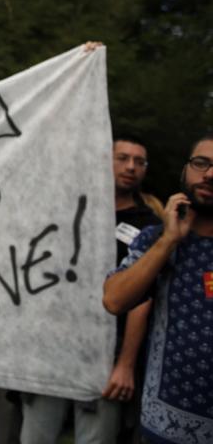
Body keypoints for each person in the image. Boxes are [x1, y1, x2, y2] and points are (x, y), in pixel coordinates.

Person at [19, 135, 162, 444]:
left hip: (105, 354)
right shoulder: (70, 208)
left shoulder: (149, 227)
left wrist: (125, 364)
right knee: (35, 436)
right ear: (104, 160)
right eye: (122, 158)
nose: (131, 167)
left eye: (139, 162)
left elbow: (142, 298)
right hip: (52, 347)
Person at [103, 134, 213, 443]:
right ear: (185, 171)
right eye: (201, 163)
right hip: (162, 426)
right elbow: (114, 299)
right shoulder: (157, 239)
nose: (210, 174)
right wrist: (168, 241)